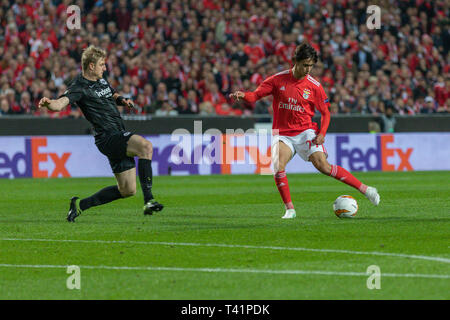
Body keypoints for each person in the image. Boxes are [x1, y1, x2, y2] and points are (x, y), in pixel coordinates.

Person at [229, 42, 380, 219]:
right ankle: (290, 209)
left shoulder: (314, 86)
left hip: (306, 132)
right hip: (284, 134)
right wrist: (243, 95)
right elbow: (255, 95)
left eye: (311, 66)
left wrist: (322, 133)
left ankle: (366, 189)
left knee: (323, 166)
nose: (308, 69)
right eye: (305, 65)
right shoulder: (277, 80)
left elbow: (325, 113)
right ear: (296, 61)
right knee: (278, 165)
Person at [38, 45, 163, 222]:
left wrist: (123, 100)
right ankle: (149, 200)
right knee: (145, 146)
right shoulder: (79, 86)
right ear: (91, 66)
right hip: (108, 137)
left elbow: (111, 93)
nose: (105, 68)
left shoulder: (101, 80)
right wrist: (48, 103)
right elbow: (60, 104)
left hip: (117, 134)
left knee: (127, 190)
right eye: (102, 64)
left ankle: (79, 205)